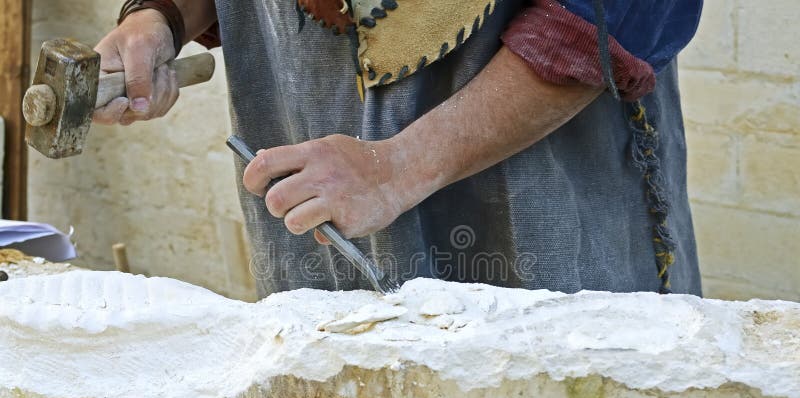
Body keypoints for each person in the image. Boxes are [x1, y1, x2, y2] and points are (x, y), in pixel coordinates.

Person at [94, 0, 704, 298]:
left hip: (537, 160)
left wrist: (397, 168)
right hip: (311, 135)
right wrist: (164, 16)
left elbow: (615, 11)